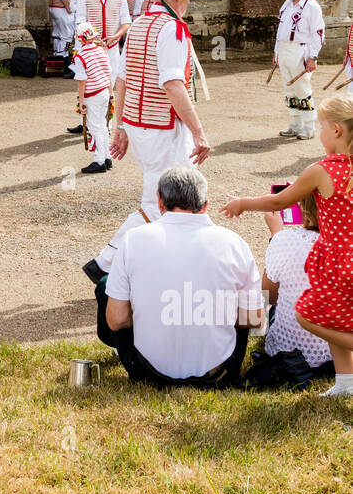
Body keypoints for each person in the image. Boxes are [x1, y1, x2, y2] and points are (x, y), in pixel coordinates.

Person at [83, 0, 211, 282]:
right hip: (162, 128)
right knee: (168, 200)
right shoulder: (172, 28)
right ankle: (108, 262)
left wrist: (123, 127)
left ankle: (159, 264)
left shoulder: (139, 25)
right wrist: (198, 131)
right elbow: (172, 84)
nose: (188, 2)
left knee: (162, 197)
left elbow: (123, 79)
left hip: (139, 126)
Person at [222, 95, 353, 396]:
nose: (319, 133)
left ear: (335, 130)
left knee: (308, 314)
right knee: (335, 317)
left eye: (321, 127)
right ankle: (346, 382)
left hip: (337, 261)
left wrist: (243, 203)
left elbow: (280, 200)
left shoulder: (323, 170)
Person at [98, 164, 263, 388]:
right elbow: (254, 318)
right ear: (205, 205)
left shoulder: (132, 240)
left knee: (106, 286)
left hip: (149, 372)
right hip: (219, 372)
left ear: (159, 200)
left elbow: (117, 320)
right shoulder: (235, 243)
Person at [249, 195, 332, 386]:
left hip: (286, 349)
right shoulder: (345, 243)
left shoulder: (285, 240)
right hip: (337, 353)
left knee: (269, 308)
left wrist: (276, 233)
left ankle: (257, 332)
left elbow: (269, 294)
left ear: (303, 207)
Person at [274, 0, 324, 140]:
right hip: (284, 50)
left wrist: (313, 56)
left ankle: (309, 127)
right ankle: (295, 124)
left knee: (302, 89)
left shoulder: (312, 7)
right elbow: (280, 30)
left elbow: (318, 33)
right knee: (289, 89)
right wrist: (276, 52)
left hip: (300, 50)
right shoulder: (286, 5)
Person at [75, 0, 131, 84]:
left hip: (112, 47)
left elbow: (126, 23)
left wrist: (115, 36)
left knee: (111, 83)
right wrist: (90, 39)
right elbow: (80, 21)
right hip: (91, 47)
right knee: (92, 84)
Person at [73, 22, 112, 174]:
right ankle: (106, 157)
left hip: (92, 94)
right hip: (103, 91)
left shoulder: (81, 56)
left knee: (94, 126)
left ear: (80, 39)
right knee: (102, 125)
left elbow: (82, 81)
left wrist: (81, 101)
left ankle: (99, 160)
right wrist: (110, 92)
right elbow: (108, 72)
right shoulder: (101, 51)